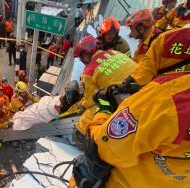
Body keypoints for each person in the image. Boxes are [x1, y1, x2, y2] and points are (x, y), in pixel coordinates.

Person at [69, 55, 190, 188]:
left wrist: (103, 112)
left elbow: (103, 148)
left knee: (85, 164)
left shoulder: (169, 97)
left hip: (122, 180)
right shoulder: (116, 53)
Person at [73, 35, 137, 137]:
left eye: (81, 58)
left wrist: (82, 104)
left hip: (126, 100)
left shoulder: (88, 72)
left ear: (85, 56)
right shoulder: (115, 53)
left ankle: (80, 134)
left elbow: (91, 102)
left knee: (94, 108)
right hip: (144, 87)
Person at [123, 27, 190, 87]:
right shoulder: (146, 41)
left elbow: (148, 66)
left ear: (141, 29)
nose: (131, 33)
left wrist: (134, 79)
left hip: (159, 85)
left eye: (132, 29)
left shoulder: (164, 38)